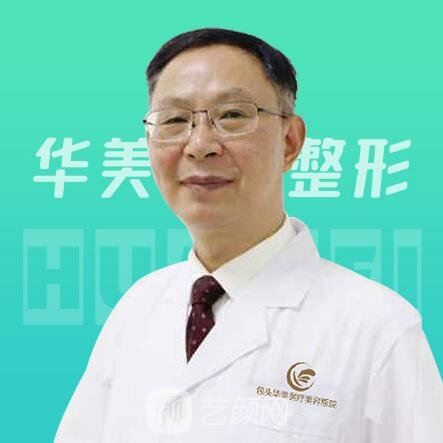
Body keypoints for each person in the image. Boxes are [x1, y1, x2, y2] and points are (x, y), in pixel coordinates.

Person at [54, 28, 443, 442]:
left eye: (232, 116)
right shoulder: (136, 310)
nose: (199, 145)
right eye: (174, 120)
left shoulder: (377, 328)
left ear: (290, 142)